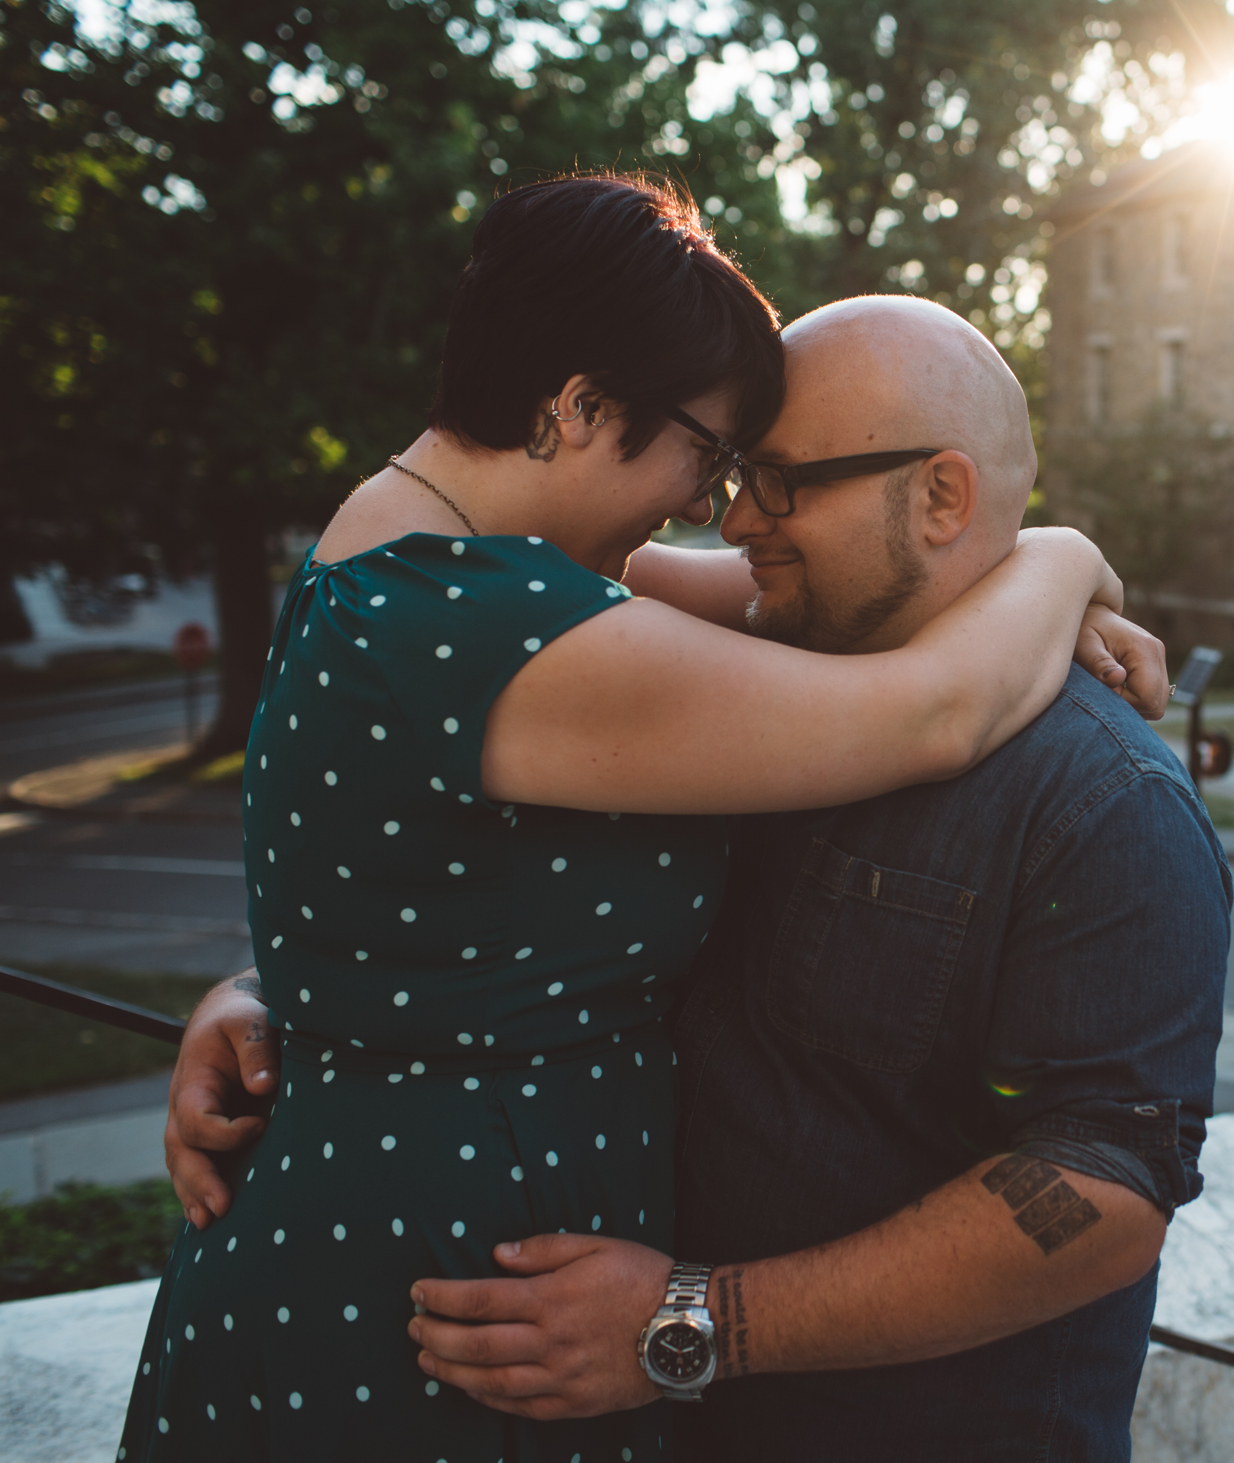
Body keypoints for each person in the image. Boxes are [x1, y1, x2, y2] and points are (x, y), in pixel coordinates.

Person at [132, 176, 1164, 1463]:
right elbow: (933, 709)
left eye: (750, 474)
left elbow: (775, 591)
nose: (710, 506)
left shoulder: (409, 552)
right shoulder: (474, 614)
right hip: (438, 1310)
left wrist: (283, 990)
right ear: (578, 408)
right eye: (711, 456)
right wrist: (1060, 556)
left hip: (465, 1277)